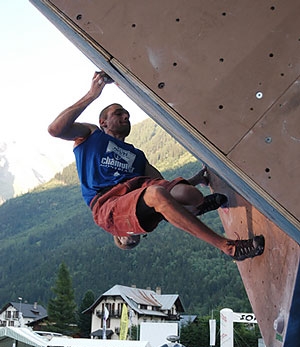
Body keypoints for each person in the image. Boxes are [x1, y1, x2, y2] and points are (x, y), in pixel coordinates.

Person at [48, 71, 265, 260]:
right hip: (108, 203)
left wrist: (197, 180)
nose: (126, 116)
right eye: (118, 113)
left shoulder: (137, 156)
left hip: (142, 193)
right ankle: (228, 247)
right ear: (103, 121)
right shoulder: (91, 135)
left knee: (190, 195)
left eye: (127, 114)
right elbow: (55, 129)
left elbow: (166, 187)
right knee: (156, 195)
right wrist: (91, 95)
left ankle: (194, 208)